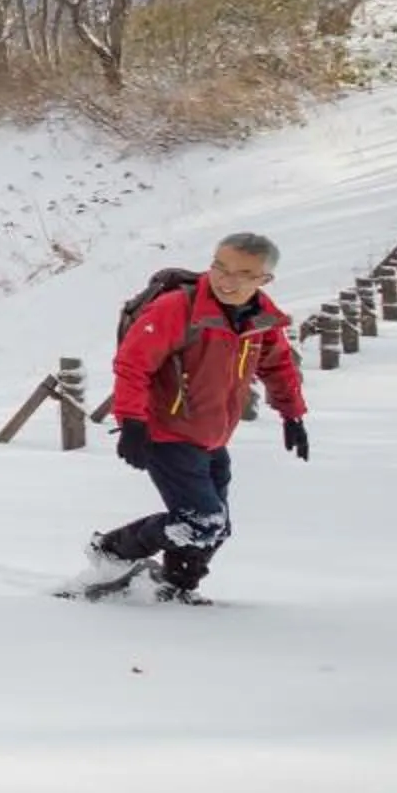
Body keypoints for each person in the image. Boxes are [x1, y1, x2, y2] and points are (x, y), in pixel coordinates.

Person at [69, 231, 306, 604]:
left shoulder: (261, 318)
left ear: (264, 280)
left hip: (212, 437)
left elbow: (277, 365)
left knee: (216, 527)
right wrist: (132, 421)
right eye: (219, 267)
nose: (226, 280)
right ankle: (112, 549)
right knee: (201, 522)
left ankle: (175, 588)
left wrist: (292, 415)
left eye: (243, 273)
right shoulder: (177, 309)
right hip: (167, 433)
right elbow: (133, 364)